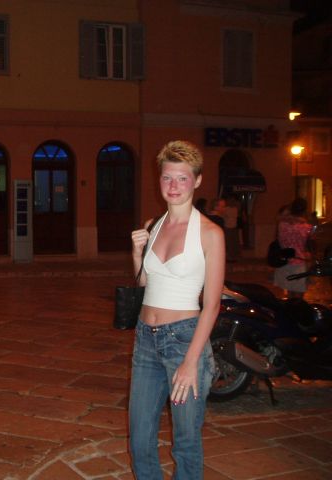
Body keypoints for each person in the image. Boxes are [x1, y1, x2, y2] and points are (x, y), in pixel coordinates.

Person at [130, 140, 225, 479]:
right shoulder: (153, 224)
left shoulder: (210, 233)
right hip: (145, 339)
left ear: (197, 180)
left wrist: (190, 362)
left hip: (185, 341)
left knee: (185, 441)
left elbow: (211, 305)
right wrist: (137, 255)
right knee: (140, 438)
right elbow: (145, 284)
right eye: (167, 177)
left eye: (182, 178)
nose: (173, 186)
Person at [273, 197, 313, 299]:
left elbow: (276, 237)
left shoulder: (282, 225)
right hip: (299, 263)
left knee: (290, 296)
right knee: (298, 298)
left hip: (284, 262)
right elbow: (310, 247)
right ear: (304, 210)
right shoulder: (307, 228)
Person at [222, 195, 240, 262]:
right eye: (231, 201)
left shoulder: (235, 209)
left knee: (234, 243)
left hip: (233, 227)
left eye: (233, 201)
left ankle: (233, 256)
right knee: (229, 243)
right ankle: (229, 257)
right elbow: (224, 217)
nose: (232, 202)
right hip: (228, 227)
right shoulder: (226, 209)